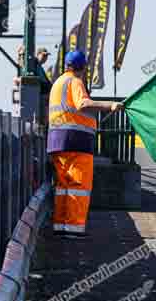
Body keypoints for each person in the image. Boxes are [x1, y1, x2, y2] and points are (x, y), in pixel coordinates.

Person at [48, 50, 123, 238]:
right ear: (83, 67)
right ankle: (73, 228)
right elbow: (83, 104)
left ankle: (60, 226)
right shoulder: (75, 81)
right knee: (78, 186)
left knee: (63, 187)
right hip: (76, 142)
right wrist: (109, 105)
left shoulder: (58, 83)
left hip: (58, 141)